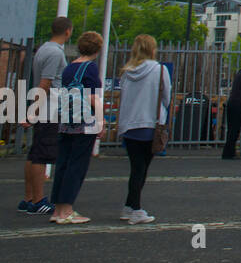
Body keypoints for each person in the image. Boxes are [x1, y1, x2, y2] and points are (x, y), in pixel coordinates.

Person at [49, 31, 105, 225]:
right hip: (84, 123)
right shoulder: (90, 68)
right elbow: (92, 97)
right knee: (77, 166)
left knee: (63, 164)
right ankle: (67, 210)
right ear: (97, 49)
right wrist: (101, 121)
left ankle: (57, 209)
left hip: (66, 121)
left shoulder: (69, 68)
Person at [18, 16, 72, 215]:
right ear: (68, 31)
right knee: (42, 154)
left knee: (34, 153)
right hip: (49, 109)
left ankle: (28, 198)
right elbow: (46, 83)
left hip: (44, 107)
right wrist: (34, 111)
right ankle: (39, 200)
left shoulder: (42, 49)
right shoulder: (55, 53)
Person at [115, 34, 171, 225]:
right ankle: (136, 209)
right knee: (141, 169)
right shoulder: (160, 70)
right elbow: (166, 97)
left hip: (129, 125)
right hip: (149, 124)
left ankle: (129, 206)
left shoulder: (126, 72)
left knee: (135, 167)